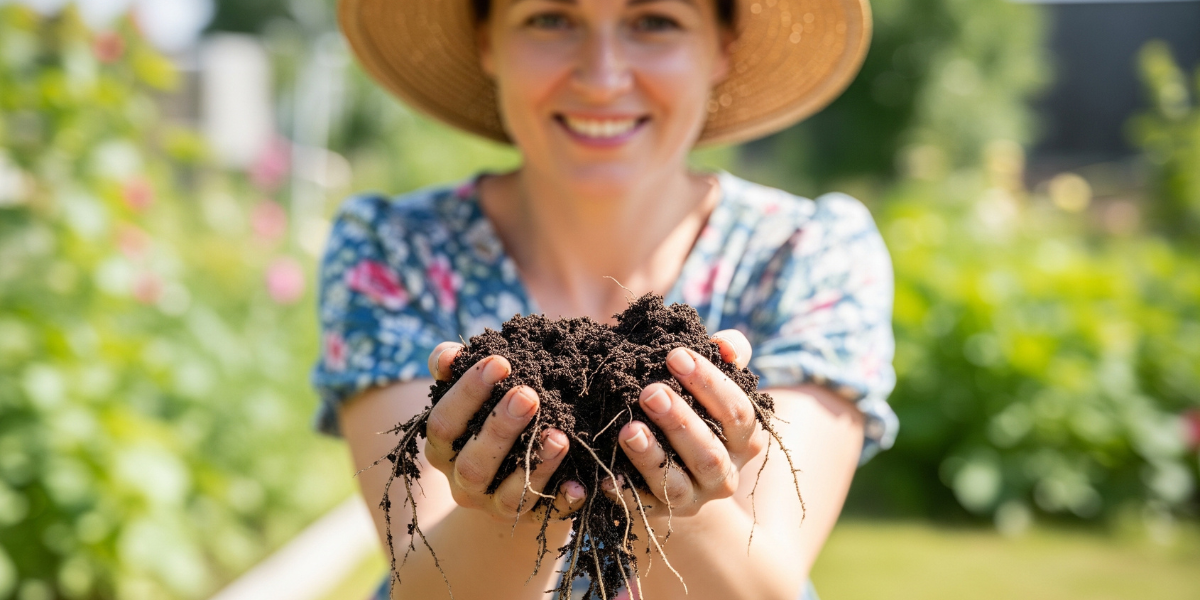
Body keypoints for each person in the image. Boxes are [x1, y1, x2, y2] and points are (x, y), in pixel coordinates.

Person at [312, 0, 897, 598]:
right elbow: (426, 583)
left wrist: (673, 499)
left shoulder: (808, 255)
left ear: (723, 44)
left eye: (655, 21)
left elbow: (764, 588)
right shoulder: (396, 250)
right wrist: (515, 502)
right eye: (550, 18)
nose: (602, 75)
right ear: (488, 40)